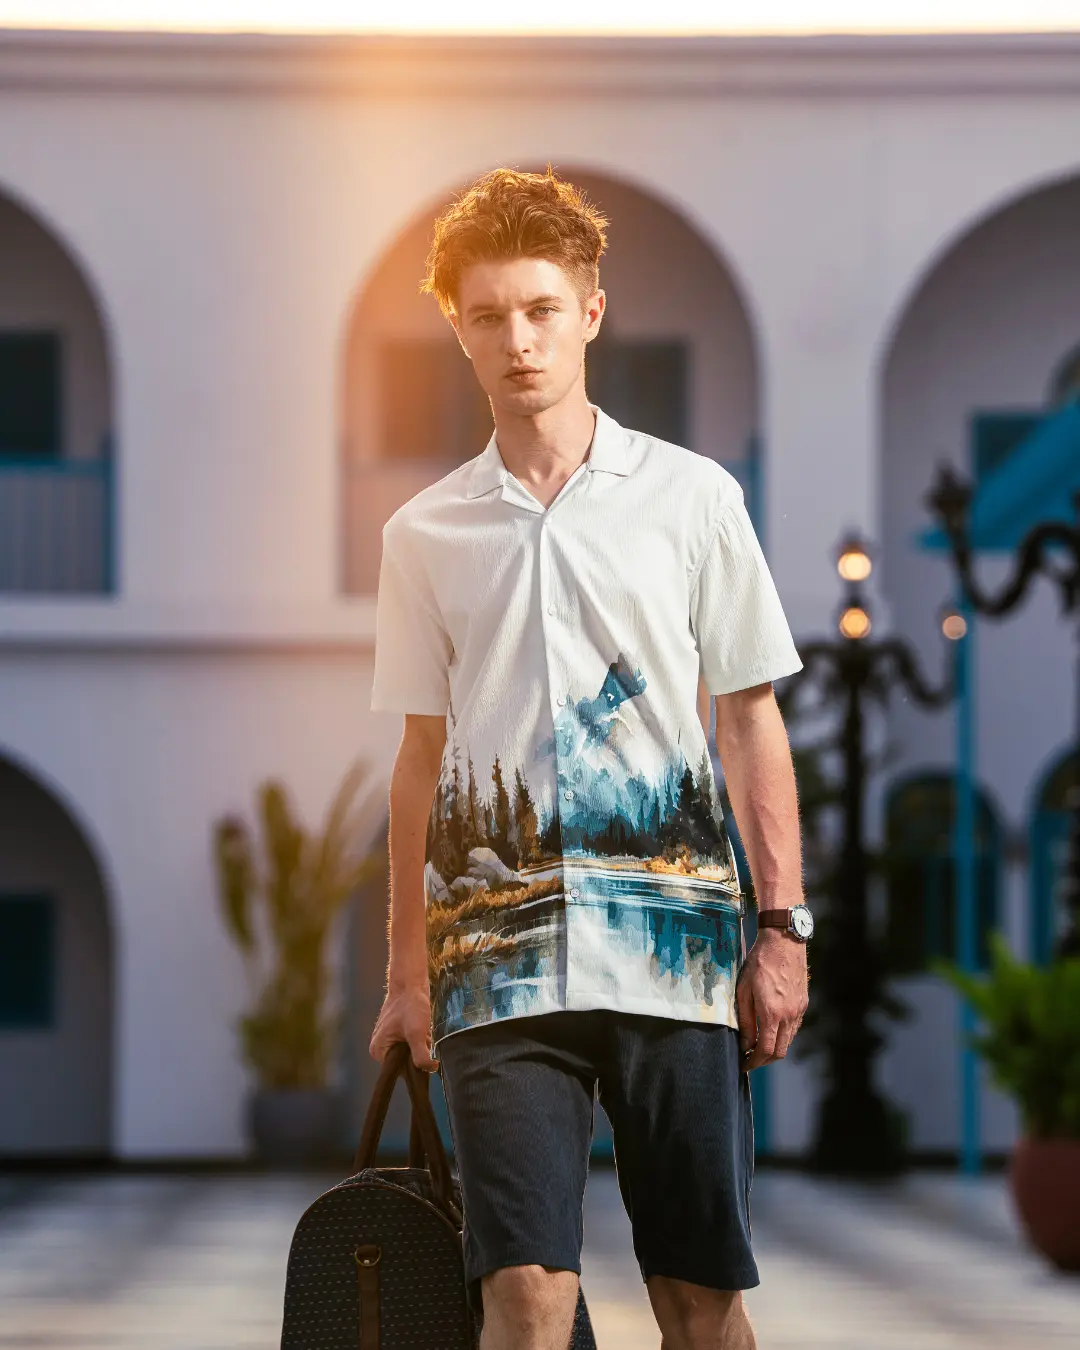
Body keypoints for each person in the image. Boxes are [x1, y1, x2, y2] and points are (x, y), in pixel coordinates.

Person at [368, 166, 810, 1350]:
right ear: (458, 330)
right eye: (490, 316)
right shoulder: (422, 537)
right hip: (495, 971)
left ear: (591, 313)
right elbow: (419, 762)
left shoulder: (694, 500)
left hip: (675, 954)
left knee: (699, 1299)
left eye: (542, 309)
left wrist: (783, 929)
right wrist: (407, 978)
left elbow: (750, 720)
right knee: (522, 1297)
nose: (519, 340)